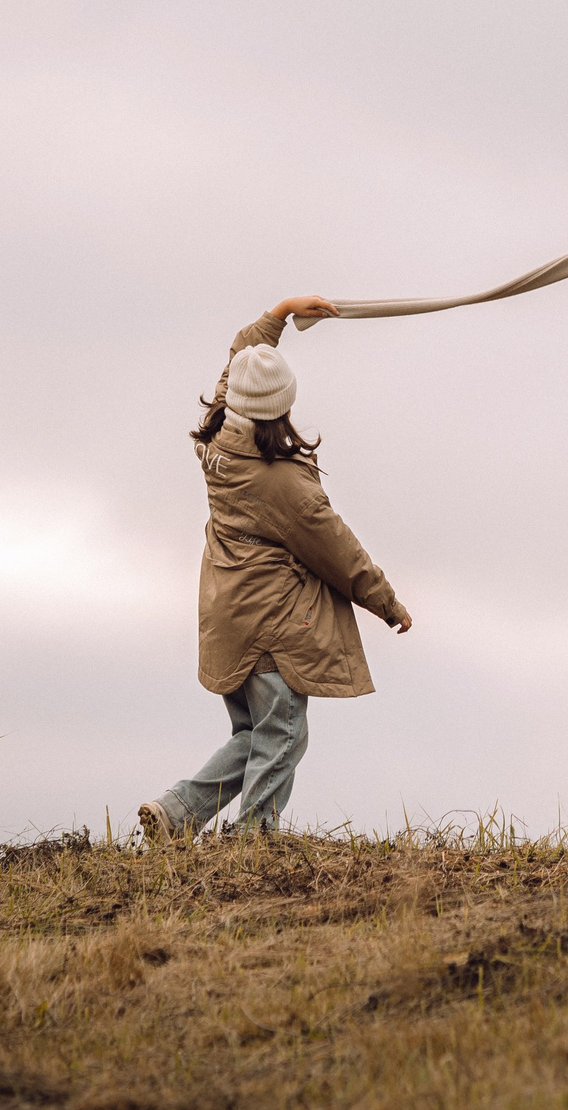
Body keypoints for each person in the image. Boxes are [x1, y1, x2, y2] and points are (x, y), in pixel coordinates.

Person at [137, 296, 413, 843]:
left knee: (255, 734)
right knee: (283, 733)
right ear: (283, 406)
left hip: (226, 614)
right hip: (269, 624)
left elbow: (240, 356)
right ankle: (254, 840)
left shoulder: (217, 434)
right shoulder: (282, 483)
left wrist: (281, 311)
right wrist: (388, 604)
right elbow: (339, 550)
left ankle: (175, 815)